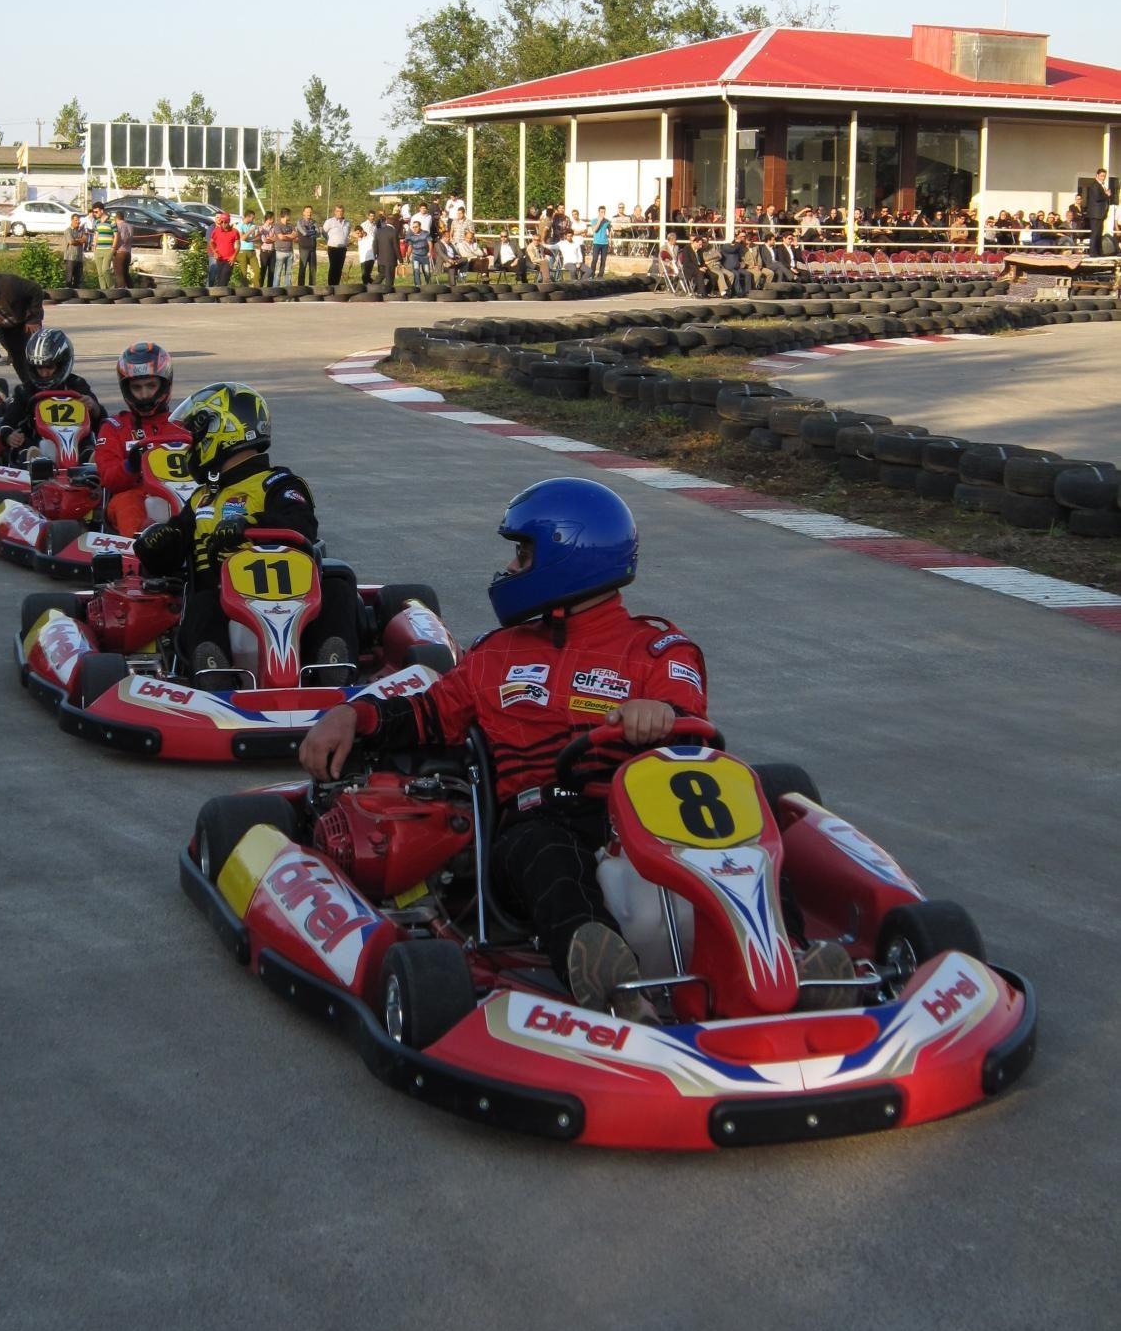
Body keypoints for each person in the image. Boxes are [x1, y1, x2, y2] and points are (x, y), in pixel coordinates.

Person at [300, 478, 856, 1015]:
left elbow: (688, 719)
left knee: (739, 824)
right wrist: (354, 715)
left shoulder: (658, 648)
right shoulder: (496, 654)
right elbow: (429, 714)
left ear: (566, 556)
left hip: (643, 818)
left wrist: (661, 715)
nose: (511, 567)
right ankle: (613, 985)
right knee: (548, 855)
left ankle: (790, 959)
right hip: (537, 818)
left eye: (523, 555)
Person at [132, 383, 359, 678]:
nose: (192, 446)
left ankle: (332, 667)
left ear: (222, 431)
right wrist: (155, 545)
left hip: (291, 600)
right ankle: (214, 676)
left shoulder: (278, 483)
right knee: (201, 605)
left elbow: (301, 525)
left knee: (336, 584)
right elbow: (170, 555)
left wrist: (247, 526)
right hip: (223, 600)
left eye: (196, 436)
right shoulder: (202, 499)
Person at [92, 342, 192, 535]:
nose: (144, 395)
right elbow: (109, 480)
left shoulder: (183, 424)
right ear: (126, 389)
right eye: (137, 387)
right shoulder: (114, 427)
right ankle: (140, 544)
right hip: (137, 495)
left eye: (151, 386)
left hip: (186, 492)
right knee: (126, 502)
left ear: (164, 385)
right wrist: (131, 465)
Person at [0, 328, 103, 454]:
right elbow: (7, 423)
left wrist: (94, 407)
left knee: (88, 445)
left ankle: (89, 458)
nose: (44, 373)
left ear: (62, 364)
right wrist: (8, 436)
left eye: (49, 367)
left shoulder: (77, 384)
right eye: (39, 368)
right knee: (24, 446)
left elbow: (102, 420)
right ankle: (33, 458)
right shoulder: (25, 391)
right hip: (38, 444)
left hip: (76, 445)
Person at [1083, 168, 1114, 256]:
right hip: (1096, 214)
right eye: (1101, 176)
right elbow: (1097, 197)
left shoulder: (1101, 185)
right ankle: (1093, 252)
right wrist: (1106, 195)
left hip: (1100, 214)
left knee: (1099, 233)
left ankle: (1098, 251)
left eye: (1104, 176)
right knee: (1095, 233)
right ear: (1097, 175)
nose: (1103, 177)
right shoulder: (1095, 185)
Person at [91, 204, 117, 295]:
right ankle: (103, 292)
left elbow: (116, 235)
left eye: (96, 212)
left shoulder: (111, 221)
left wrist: (113, 248)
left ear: (102, 211)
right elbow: (96, 235)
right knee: (100, 273)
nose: (95, 214)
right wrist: (94, 246)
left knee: (105, 270)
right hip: (98, 249)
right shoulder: (97, 222)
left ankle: (112, 288)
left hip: (108, 249)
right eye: (94, 212)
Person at [207, 212, 239, 287]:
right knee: (219, 278)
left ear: (229, 221)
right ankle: (220, 293)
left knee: (224, 277)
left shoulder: (234, 231)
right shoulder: (216, 231)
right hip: (219, 259)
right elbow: (211, 242)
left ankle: (221, 292)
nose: (223, 224)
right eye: (222, 222)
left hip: (229, 260)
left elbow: (238, 245)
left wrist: (234, 256)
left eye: (225, 222)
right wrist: (214, 252)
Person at [323, 203, 351, 288]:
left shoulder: (347, 223)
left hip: (342, 249)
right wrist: (329, 240)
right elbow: (323, 232)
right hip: (333, 248)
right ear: (335, 212)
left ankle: (337, 287)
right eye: (338, 211)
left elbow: (348, 233)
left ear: (343, 212)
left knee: (339, 268)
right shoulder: (330, 221)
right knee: (333, 268)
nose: (340, 213)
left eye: (341, 211)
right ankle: (331, 287)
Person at [373, 210, 401, 289]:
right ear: (394, 221)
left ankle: (371, 288)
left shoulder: (379, 231)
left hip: (381, 259)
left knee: (381, 275)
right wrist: (400, 259)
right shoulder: (394, 231)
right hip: (390, 259)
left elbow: (375, 244)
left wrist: (375, 255)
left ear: (386, 221)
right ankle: (388, 292)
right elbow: (396, 247)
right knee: (389, 279)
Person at [406, 211, 433, 288]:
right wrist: (408, 256)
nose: (414, 228)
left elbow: (430, 243)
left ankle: (428, 285)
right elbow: (410, 247)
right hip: (415, 256)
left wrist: (430, 252)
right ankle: (418, 286)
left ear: (420, 226)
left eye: (416, 227)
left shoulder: (426, 233)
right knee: (416, 271)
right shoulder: (411, 236)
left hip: (425, 255)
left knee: (427, 272)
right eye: (413, 227)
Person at [270, 210, 295, 290]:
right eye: (289, 215)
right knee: (278, 272)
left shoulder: (291, 226)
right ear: (286, 215)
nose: (290, 217)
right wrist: (290, 236)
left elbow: (295, 235)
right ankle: (275, 289)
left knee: (289, 273)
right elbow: (281, 237)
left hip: (290, 252)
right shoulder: (277, 226)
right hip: (280, 252)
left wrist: (286, 236)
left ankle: (288, 289)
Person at [62, 212, 88, 291]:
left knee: (79, 279)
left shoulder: (81, 231)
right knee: (69, 278)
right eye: (76, 220)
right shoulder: (68, 230)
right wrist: (80, 241)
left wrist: (77, 240)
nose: (78, 222)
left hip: (79, 257)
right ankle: (68, 294)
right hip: (70, 257)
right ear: (72, 220)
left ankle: (77, 294)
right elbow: (71, 242)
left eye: (79, 220)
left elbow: (85, 239)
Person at [295, 206, 319, 287]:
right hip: (304, 249)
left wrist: (310, 231)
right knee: (302, 269)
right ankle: (301, 288)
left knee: (313, 269)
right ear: (303, 213)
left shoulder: (314, 222)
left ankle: (312, 287)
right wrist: (313, 231)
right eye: (307, 212)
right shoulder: (299, 222)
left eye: (310, 212)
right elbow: (304, 233)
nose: (309, 213)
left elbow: (318, 233)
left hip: (313, 249)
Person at [588, 207, 611, 278]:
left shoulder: (607, 221)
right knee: (594, 259)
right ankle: (591, 274)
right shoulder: (594, 220)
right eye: (601, 212)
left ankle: (600, 275)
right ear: (598, 212)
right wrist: (599, 221)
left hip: (605, 243)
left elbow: (610, 232)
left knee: (603, 260)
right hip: (597, 243)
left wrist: (610, 242)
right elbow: (594, 230)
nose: (603, 213)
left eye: (604, 212)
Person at [357, 215, 377, 286]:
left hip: (370, 258)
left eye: (358, 233)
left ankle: (375, 286)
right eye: (357, 233)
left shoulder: (370, 237)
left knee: (365, 276)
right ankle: (375, 286)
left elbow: (375, 245)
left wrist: (375, 254)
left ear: (362, 231)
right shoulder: (359, 238)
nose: (358, 235)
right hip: (362, 259)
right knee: (365, 277)